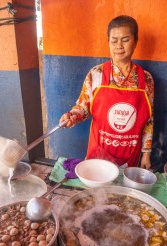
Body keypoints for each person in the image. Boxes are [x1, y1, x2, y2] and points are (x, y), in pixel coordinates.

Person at [59, 15, 154, 170]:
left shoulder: (146, 79)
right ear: (108, 42)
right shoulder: (95, 74)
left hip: (129, 157)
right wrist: (72, 117)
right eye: (114, 40)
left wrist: (146, 154)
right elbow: (83, 108)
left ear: (135, 41)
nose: (119, 46)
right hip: (98, 154)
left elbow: (148, 120)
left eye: (125, 39)